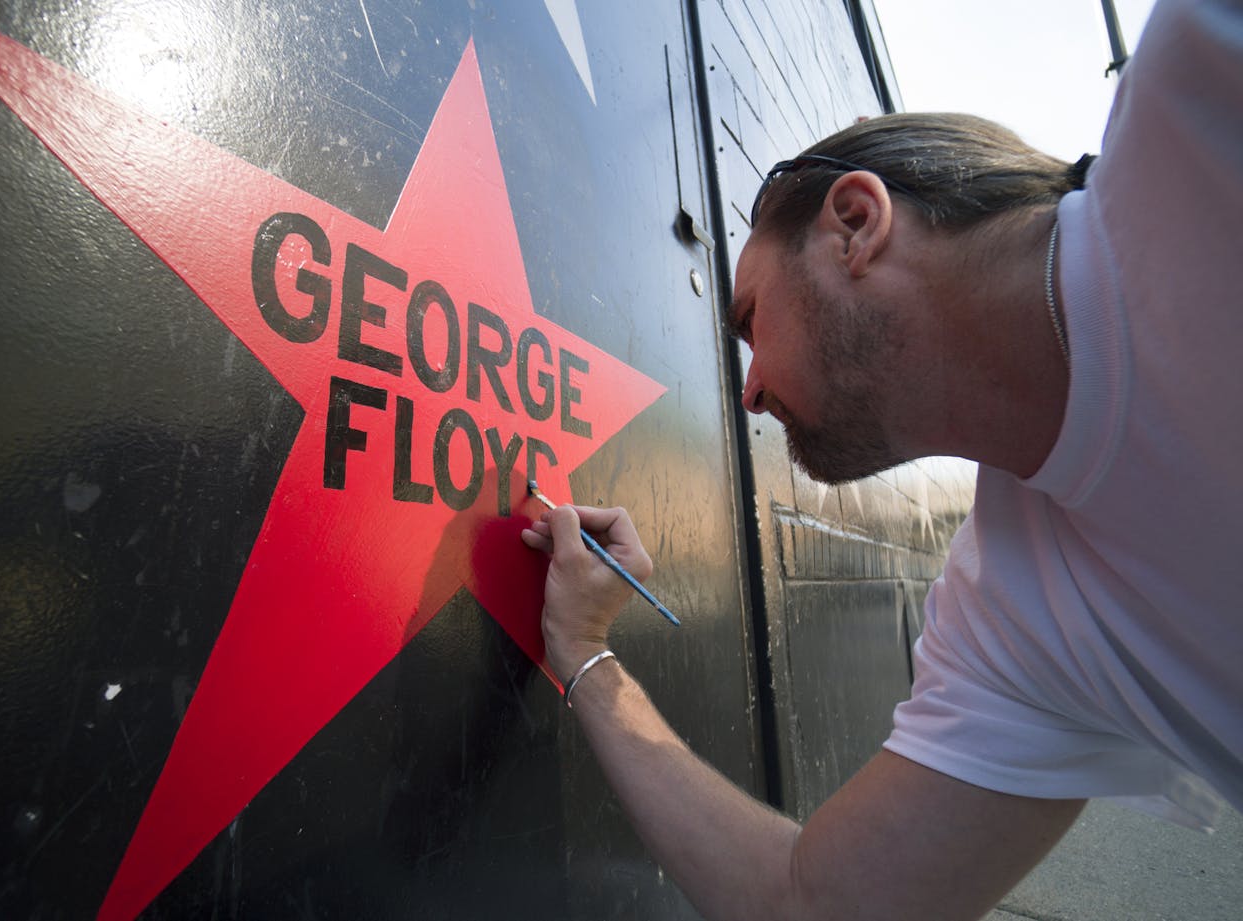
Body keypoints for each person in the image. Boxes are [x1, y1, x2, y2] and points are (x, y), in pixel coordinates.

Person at [521, 0, 1243, 918]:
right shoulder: (1015, 617)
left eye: (750, 322)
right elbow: (813, 904)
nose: (745, 392)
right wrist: (585, 649)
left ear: (856, 222)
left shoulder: (1202, 93)